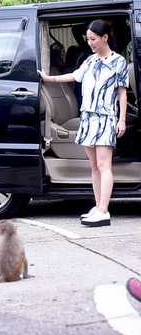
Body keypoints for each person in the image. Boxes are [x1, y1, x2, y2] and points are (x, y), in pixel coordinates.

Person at [39, 19, 128, 227]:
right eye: (88, 39)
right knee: (94, 166)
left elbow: (122, 93)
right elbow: (74, 76)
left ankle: (104, 211)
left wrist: (121, 119)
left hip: (105, 118)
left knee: (105, 165)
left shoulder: (118, 62)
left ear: (105, 37)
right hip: (87, 118)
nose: (90, 43)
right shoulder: (89, 61)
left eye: (93, 39)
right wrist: (48, 79)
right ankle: (98, 207)